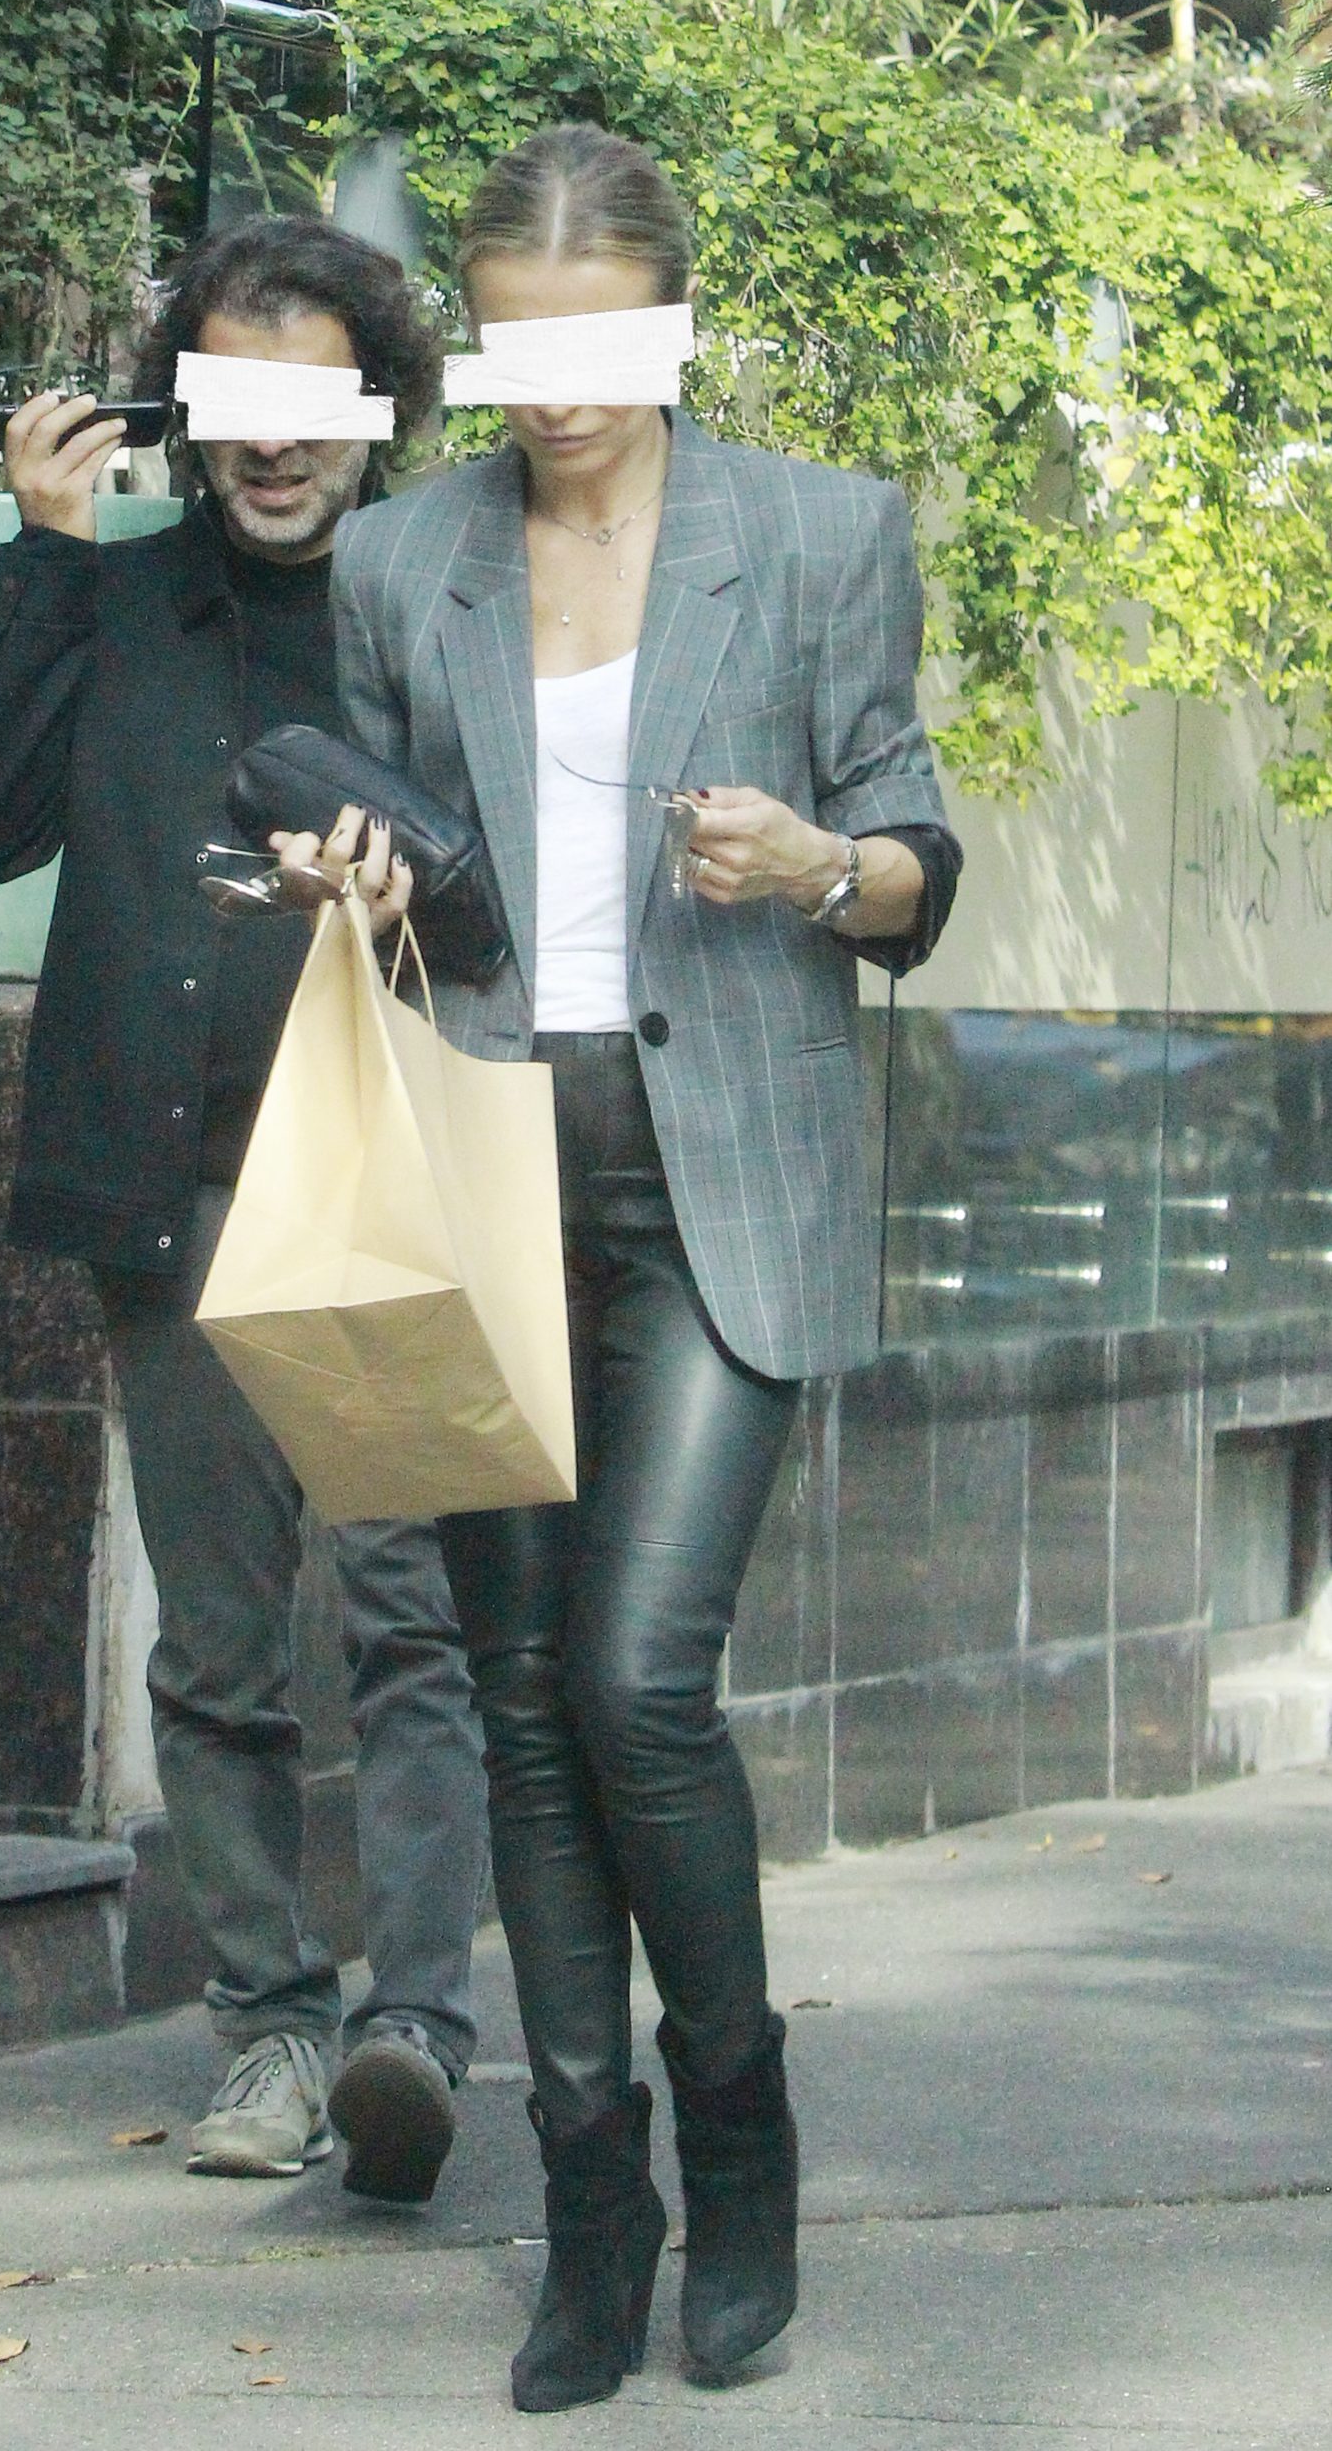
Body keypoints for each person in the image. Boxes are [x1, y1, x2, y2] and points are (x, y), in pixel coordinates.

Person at [305, 124, 961, 2407]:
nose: (557, 388)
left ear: (673, 322)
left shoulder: (817, 533)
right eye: (513, 343)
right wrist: (353, 874)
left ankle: (741, 2133)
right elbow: (400, 856)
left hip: (722, 1183)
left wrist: (816, 863)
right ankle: (594, 2196)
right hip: (487, 1159)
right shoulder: (401, 557)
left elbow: (914, 852)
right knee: (513, 1696)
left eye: (597, 341)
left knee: (634, 1680)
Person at [0, 215, 491, 2205]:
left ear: (377, 412)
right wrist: (41, 549)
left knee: (413, 1626)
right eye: (236, 397)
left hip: (387, 1179)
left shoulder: (434, 612)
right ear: (187, 406)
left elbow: (503, 904)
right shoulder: (112, 598)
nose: (275, 441)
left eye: (315, 400)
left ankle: (416, 2029)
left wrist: (411, 882)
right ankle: (270, 2025)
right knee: (222, 1651)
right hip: (170, 1191)